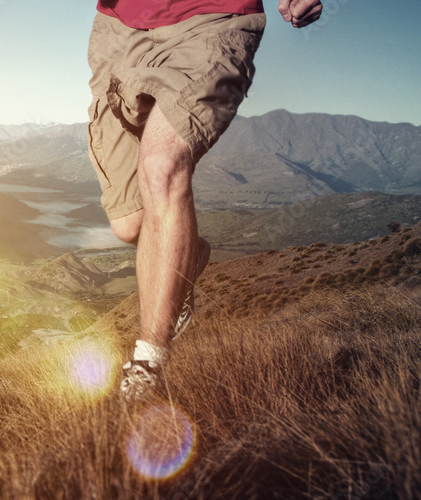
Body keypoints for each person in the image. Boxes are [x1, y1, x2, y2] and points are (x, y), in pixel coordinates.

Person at [85, 0, 323, 402]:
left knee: (161, 166)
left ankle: (147, 365)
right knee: (131, 224)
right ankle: (187, 256)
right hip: (121, 28)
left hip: (213, 19)